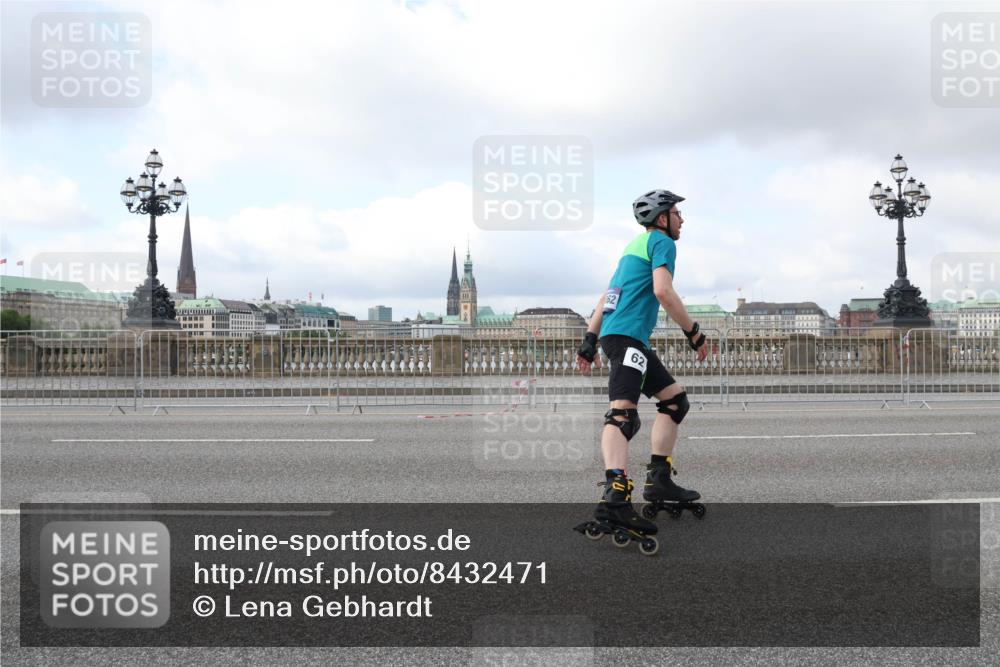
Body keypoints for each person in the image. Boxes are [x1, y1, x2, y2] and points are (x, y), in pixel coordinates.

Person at [576, 189, 709, 534]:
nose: (682, 220)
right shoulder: (662, 243)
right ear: (662, 218)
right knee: (622, 415)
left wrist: (590, 340)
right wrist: (694, 332)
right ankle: (616, 497)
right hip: (627, 338)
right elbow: (663, 291)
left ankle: (659, 479)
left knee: (675, 402)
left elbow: (607, 297)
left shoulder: (631, 249)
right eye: (678, 213)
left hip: (620, 336)